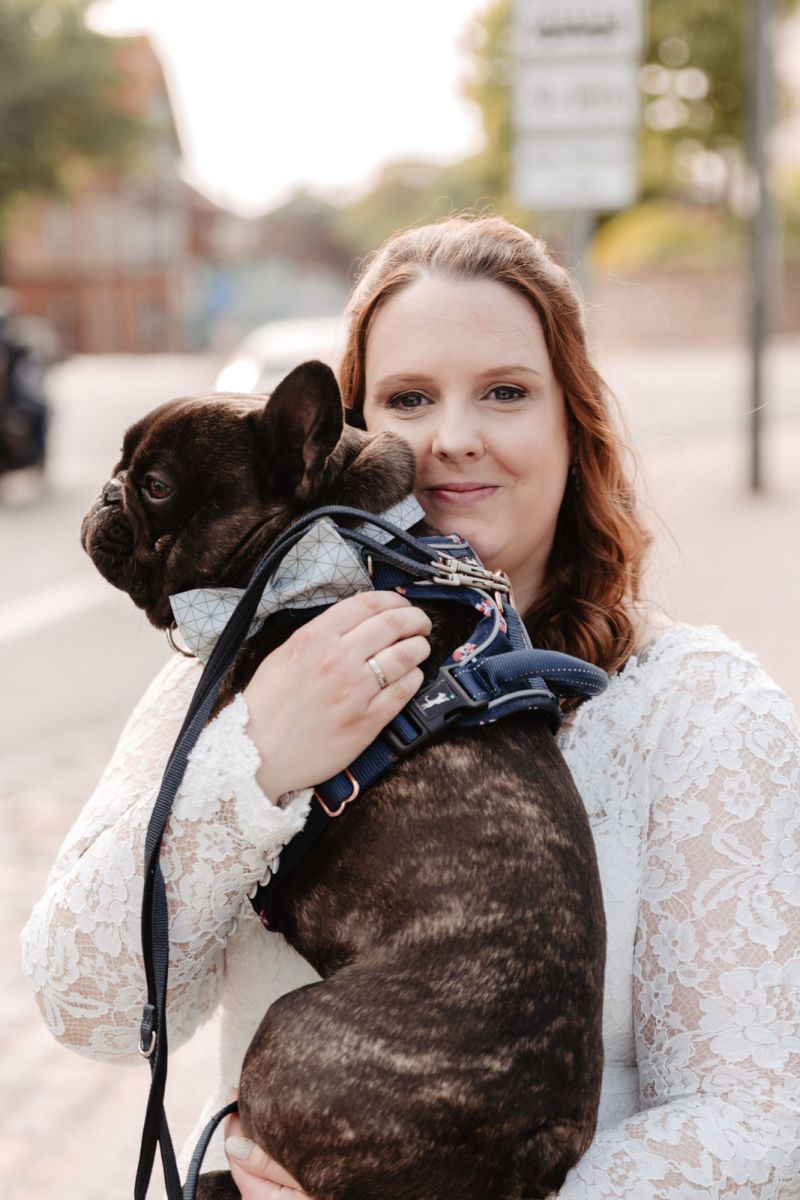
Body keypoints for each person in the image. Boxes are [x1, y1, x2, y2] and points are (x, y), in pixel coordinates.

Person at [20, 215, 800, 1199]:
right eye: (407, 398)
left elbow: (753, 1123)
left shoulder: (696, 710)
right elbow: (86, 1007)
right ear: (329, 438)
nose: (452, 437)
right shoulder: (235, 673)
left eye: (506, 393)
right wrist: (256, 755)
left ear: (573, 423)